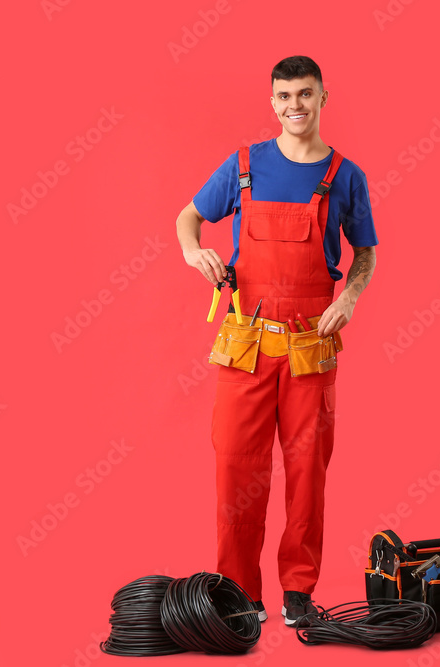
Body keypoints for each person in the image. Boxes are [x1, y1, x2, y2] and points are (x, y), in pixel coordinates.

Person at [175, 55, 378, 625]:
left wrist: (349, 298)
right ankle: (240, 593)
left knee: (308, 468)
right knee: (236, 467)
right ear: (272, 101)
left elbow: (364, 254)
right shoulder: (243, 166)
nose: (295, 106)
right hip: (246, 343)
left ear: (323, 97)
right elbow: (187, 218)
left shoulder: (346, 175)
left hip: (311, 344)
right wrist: (196, 253)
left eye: (306, 95)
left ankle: (297, 593)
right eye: (285, 96)